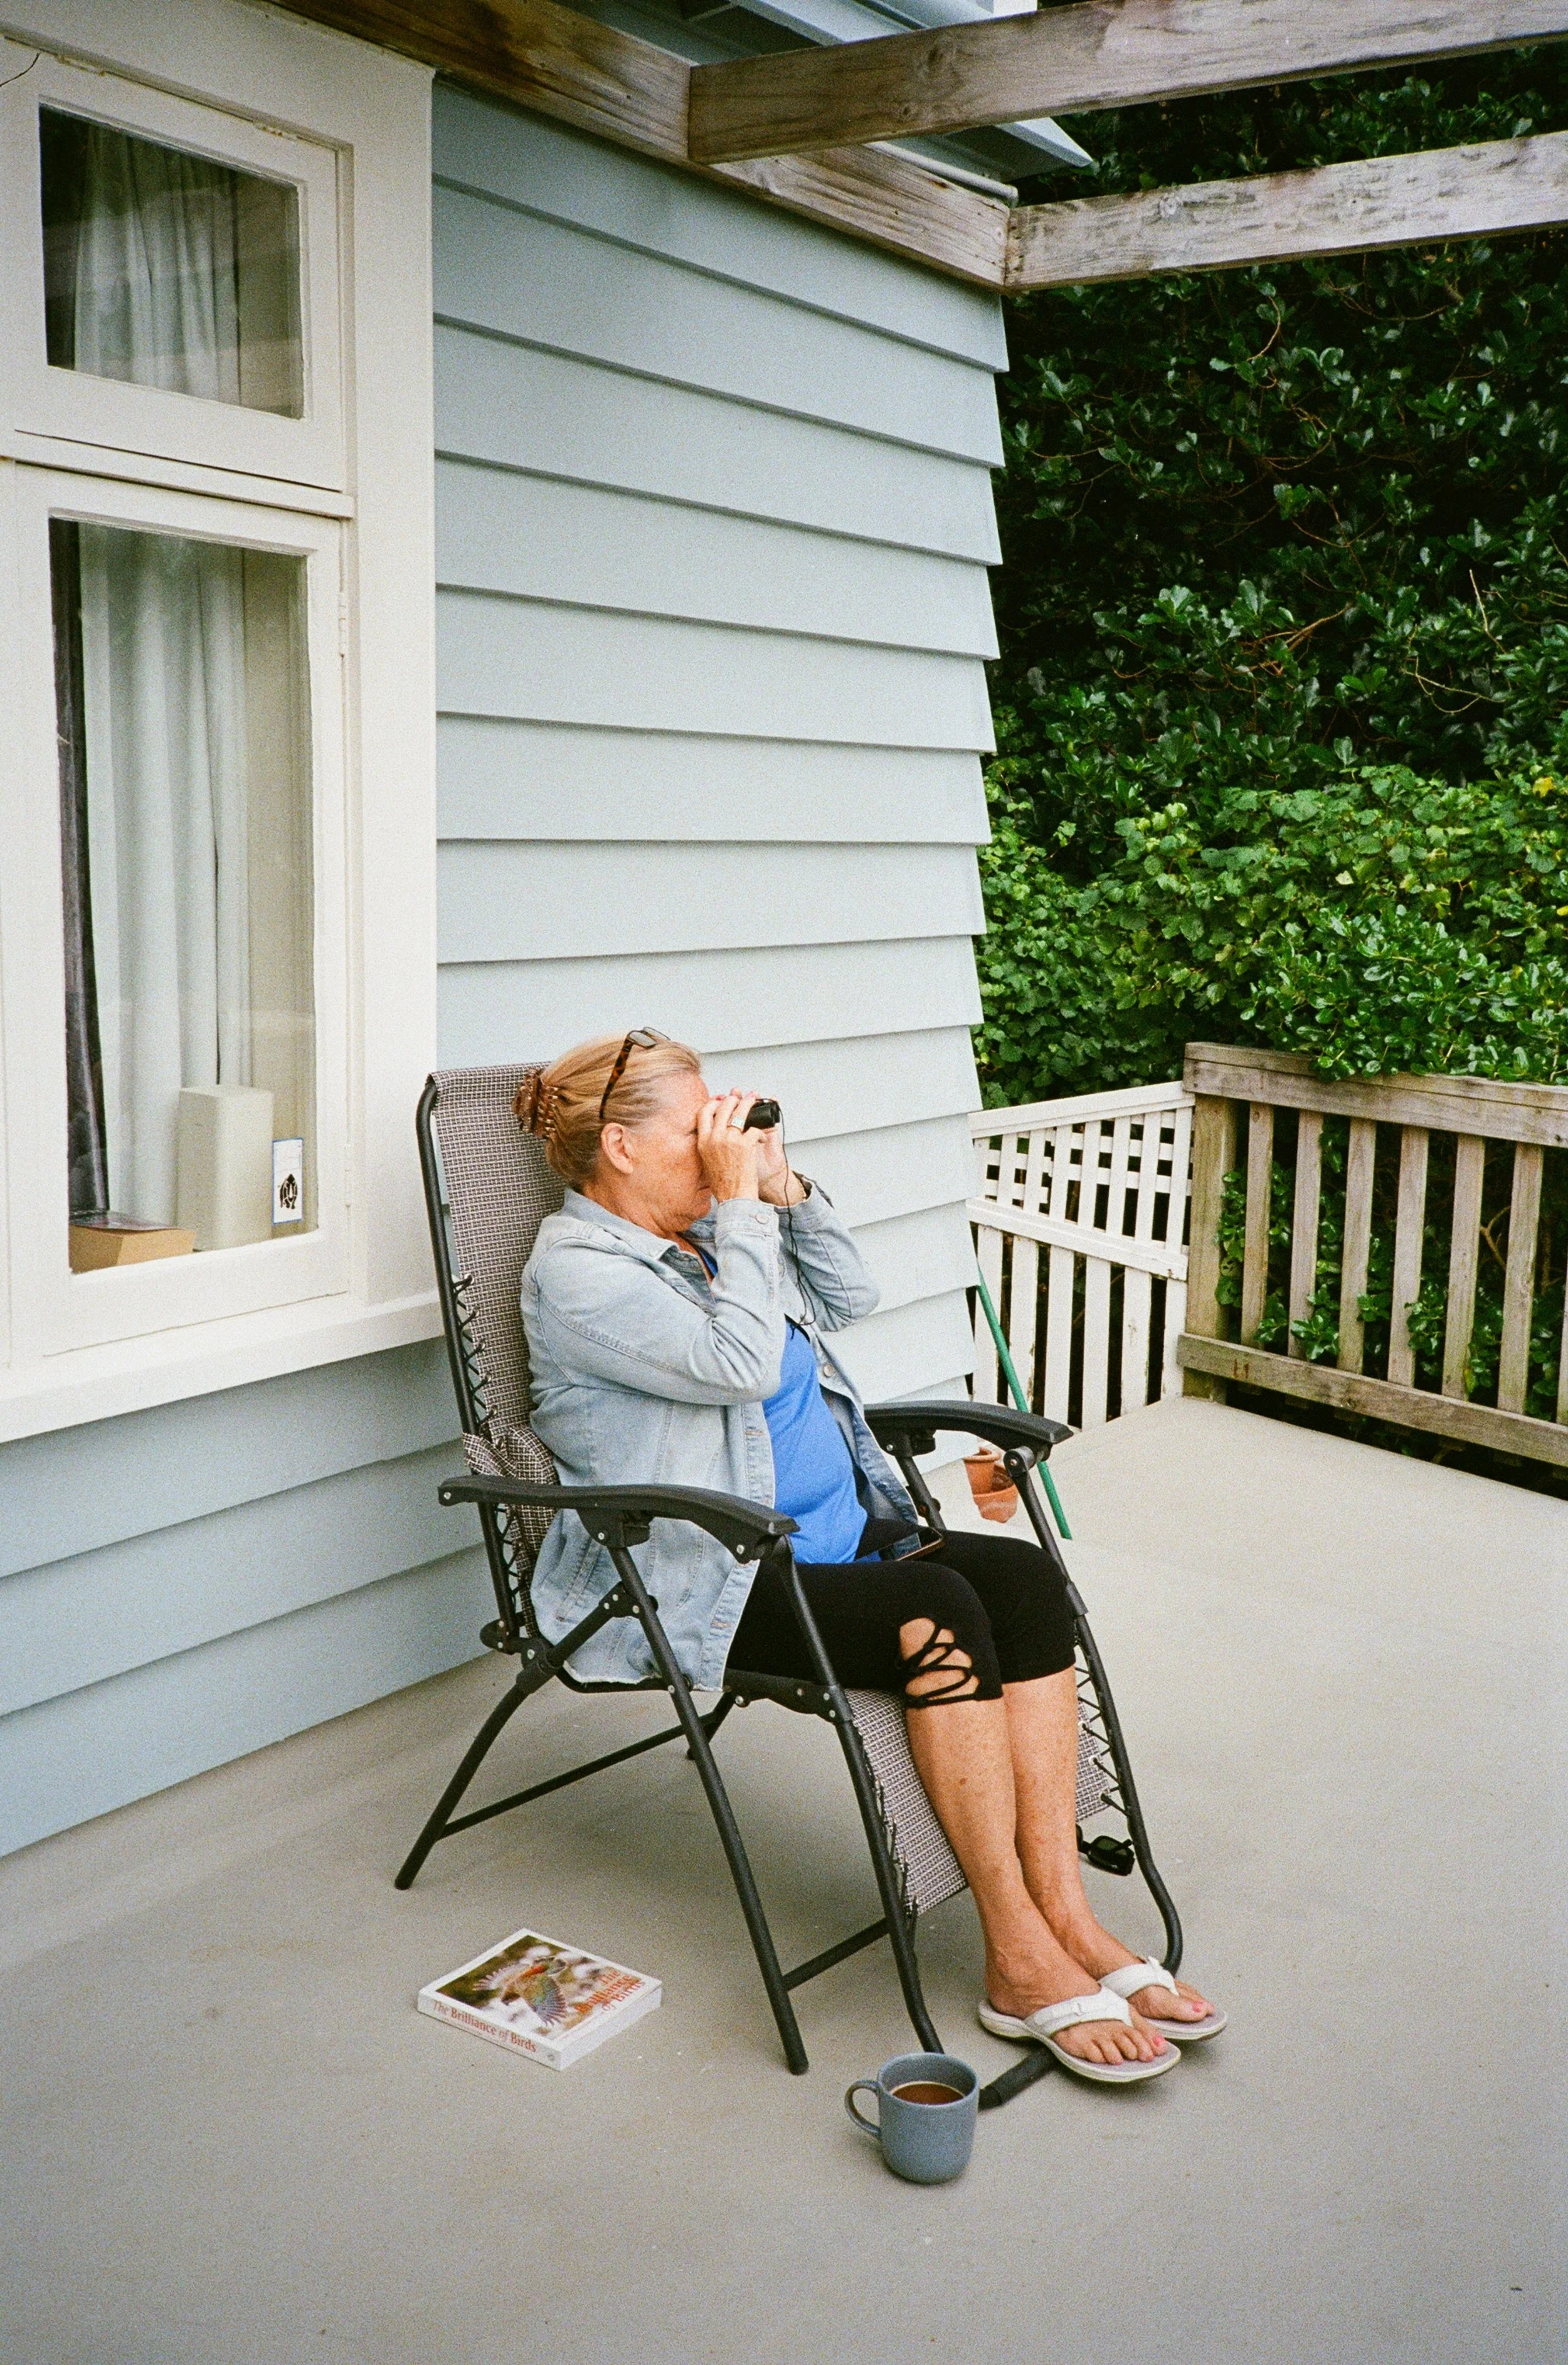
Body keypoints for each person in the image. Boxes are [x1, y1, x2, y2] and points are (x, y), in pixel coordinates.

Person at [516, 1030, 1225, 2084]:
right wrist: (745, 1210)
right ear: (619, 1147)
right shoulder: (575, 1273)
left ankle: (1067, 1914)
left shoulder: (718, 1228)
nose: (723, 1140)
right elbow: (742, 1361)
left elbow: (849, 1295)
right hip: (712, 1577)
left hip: (842, 1543)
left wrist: (779, 1182)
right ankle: (1017, 1954)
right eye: (697, 1123)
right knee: (934, 1611)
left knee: (1027, 1583)